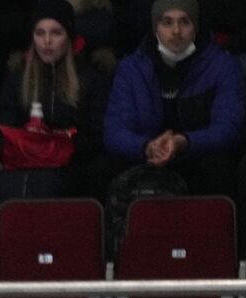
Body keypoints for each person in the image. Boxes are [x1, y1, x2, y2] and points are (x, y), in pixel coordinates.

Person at [0, 0, 111, 258]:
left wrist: (60, 143)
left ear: (69, 38)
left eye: (56, 33)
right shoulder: (18, 78)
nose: (47, 41)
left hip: (67, 169)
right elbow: (2, 130)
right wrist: (28, 143)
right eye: (40, 33)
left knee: (42, 191)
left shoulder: (90, 79)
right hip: (20, 166)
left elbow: (98, 136)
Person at [103, 0, 243, 199]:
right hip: (146, 154)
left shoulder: (223, 66)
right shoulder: (131, 68)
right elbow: (115, 130)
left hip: (196, 153)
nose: (176, 31)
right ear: (155, 29)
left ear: (196, 28)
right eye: (167, 22)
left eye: (184, 22)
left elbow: (229, 128)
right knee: (103, 167)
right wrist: (146, 147)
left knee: (219, 167)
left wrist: (183, 142)